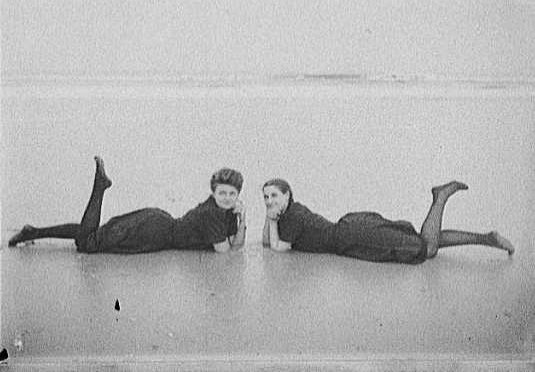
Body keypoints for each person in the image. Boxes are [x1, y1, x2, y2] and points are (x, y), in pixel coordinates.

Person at [8, 156, 246, 253]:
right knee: (87, 244)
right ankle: (99, 187)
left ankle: (33, 232)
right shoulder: (214, 214)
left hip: (157, 225)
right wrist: (238, 222)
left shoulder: (224, 211)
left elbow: (237, 243)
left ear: (238, 195)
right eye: (222, 193)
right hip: (153, 232)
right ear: (212, 193)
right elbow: (226, 250)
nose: (227, 197)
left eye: (231, 194)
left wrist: (242, 218)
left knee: (91, 235)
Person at [262, 179, 514, 264]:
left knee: (427, 249)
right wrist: (269, 214)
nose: (270, 200)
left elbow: (278, 248)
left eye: (274, 195)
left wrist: (273, 221)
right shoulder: (291, 212)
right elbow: (266, 242)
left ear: (287, 194)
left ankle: (441, 197)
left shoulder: (293, 215)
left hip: (354, 237)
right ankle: (485, 239)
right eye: (265, 197)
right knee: (422, 241)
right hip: (352, 228)